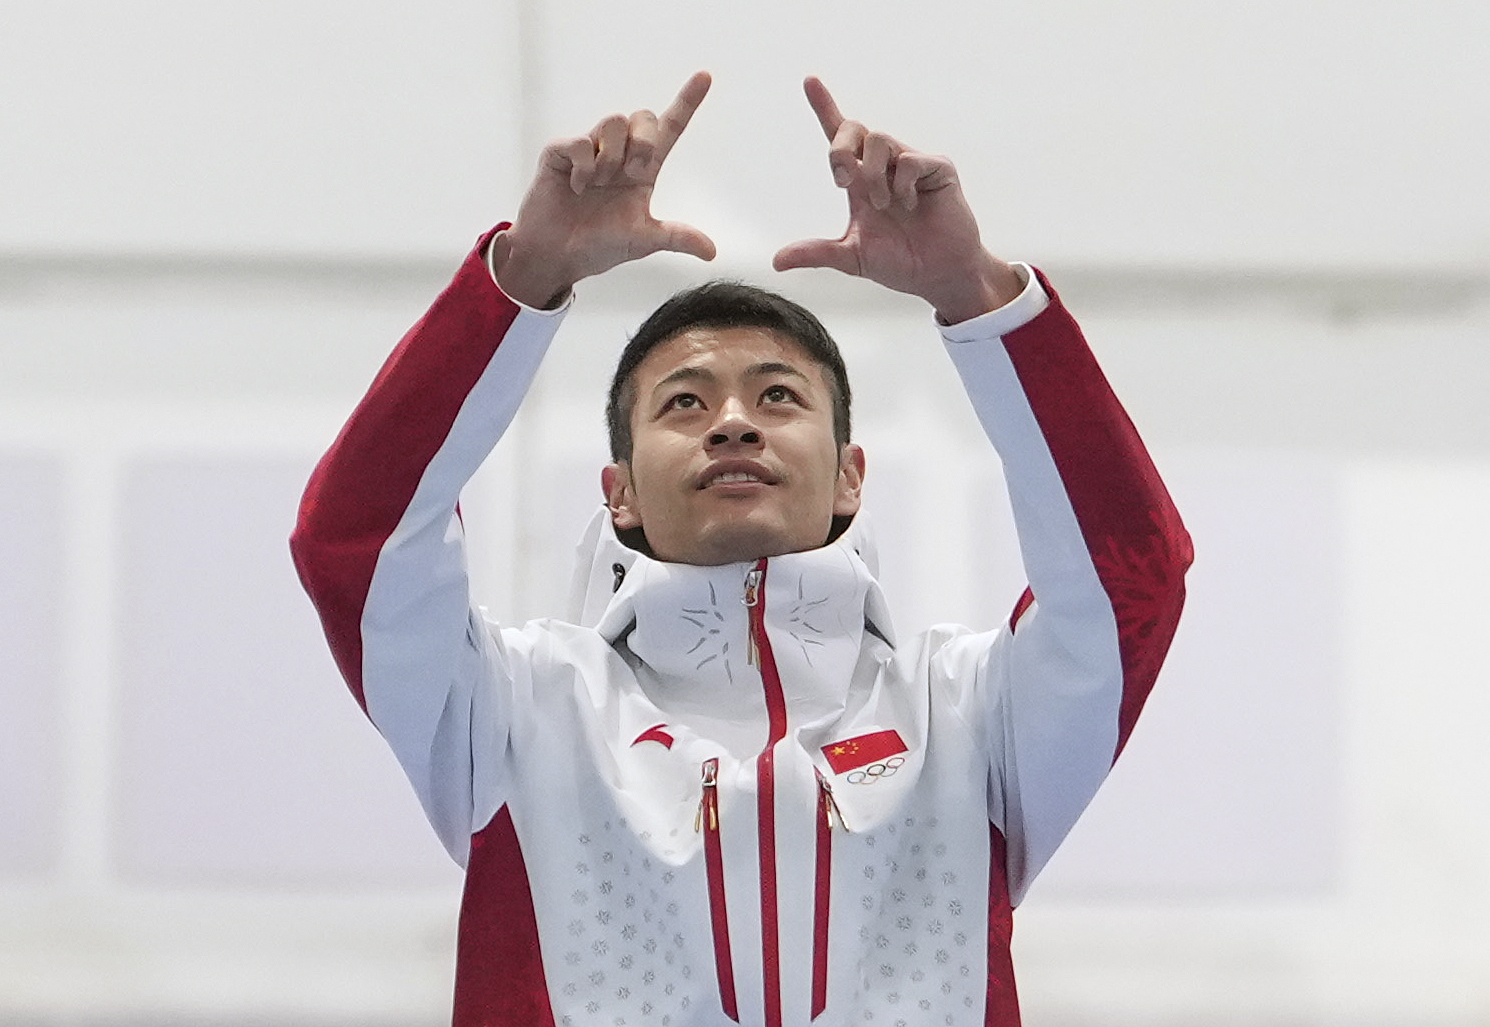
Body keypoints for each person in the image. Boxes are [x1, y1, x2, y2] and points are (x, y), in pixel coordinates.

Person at [291, 71, 1192, 1027]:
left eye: (778, 396)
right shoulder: (516, 711)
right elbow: (358, 537)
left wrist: (978, 297)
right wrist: (523, 278)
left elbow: (1128, 577)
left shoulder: (969, 715)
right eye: (685, 401)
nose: (732, 422)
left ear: (849, 477)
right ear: (619, 492)